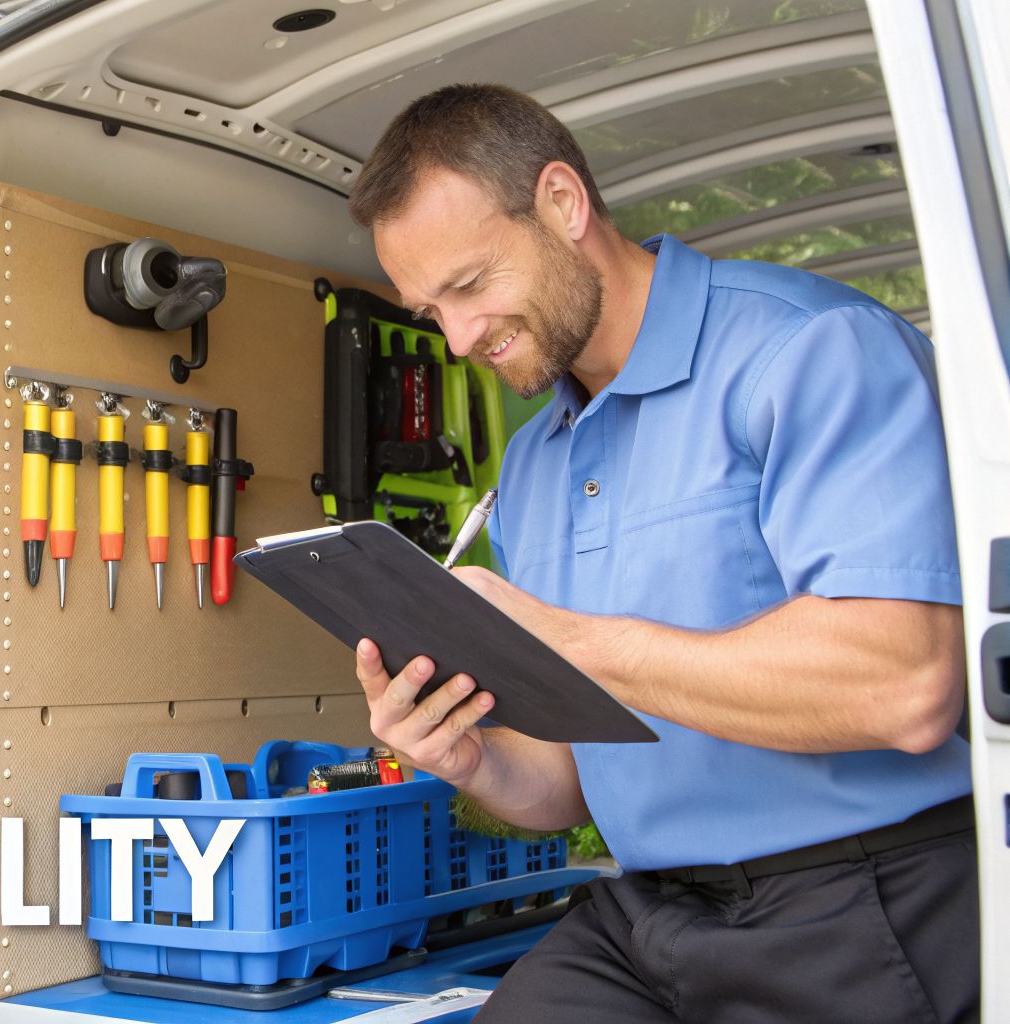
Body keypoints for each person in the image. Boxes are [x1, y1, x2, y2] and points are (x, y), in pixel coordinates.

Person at [344, 84, 978, 1022]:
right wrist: (468, 757)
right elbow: (569, 780)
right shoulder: (532, 462)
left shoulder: (812, 350)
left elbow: (905, 686)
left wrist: (571, 640)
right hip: (646, 912)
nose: (462, 337)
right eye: (431, 310)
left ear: (563, 203)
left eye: (470, 285)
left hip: (861, 896)